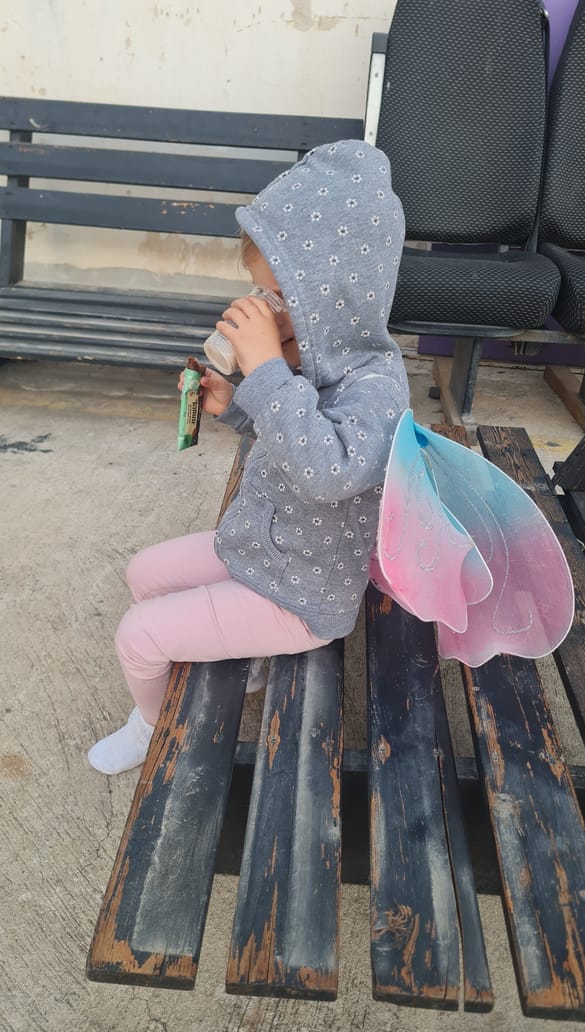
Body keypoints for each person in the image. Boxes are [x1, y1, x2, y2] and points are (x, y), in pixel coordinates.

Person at [87, 139, 410, 775]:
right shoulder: (306, 360)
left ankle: (152, 726)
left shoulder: (376, 384)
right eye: (258, 289)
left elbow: (328, 471)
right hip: (264, 545)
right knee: (143, 573)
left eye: (280, 295)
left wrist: (264, 371)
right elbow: (285, 438)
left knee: (138, 635)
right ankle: (251, 660)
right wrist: (235, 404)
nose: (264, 307)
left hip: (303, 592)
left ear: (337, 298)